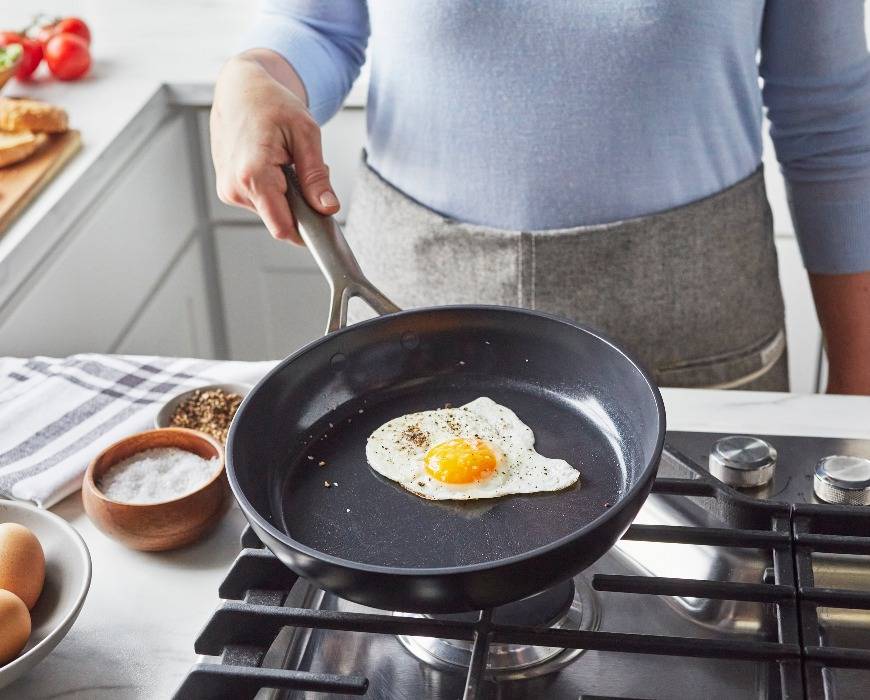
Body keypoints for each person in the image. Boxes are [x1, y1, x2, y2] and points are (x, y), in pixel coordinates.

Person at [210, 1, 870, 394]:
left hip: (697, 327)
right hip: (413, 302)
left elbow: (832, 120)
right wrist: (255, 74)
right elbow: (319, 25)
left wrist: (858, 393)